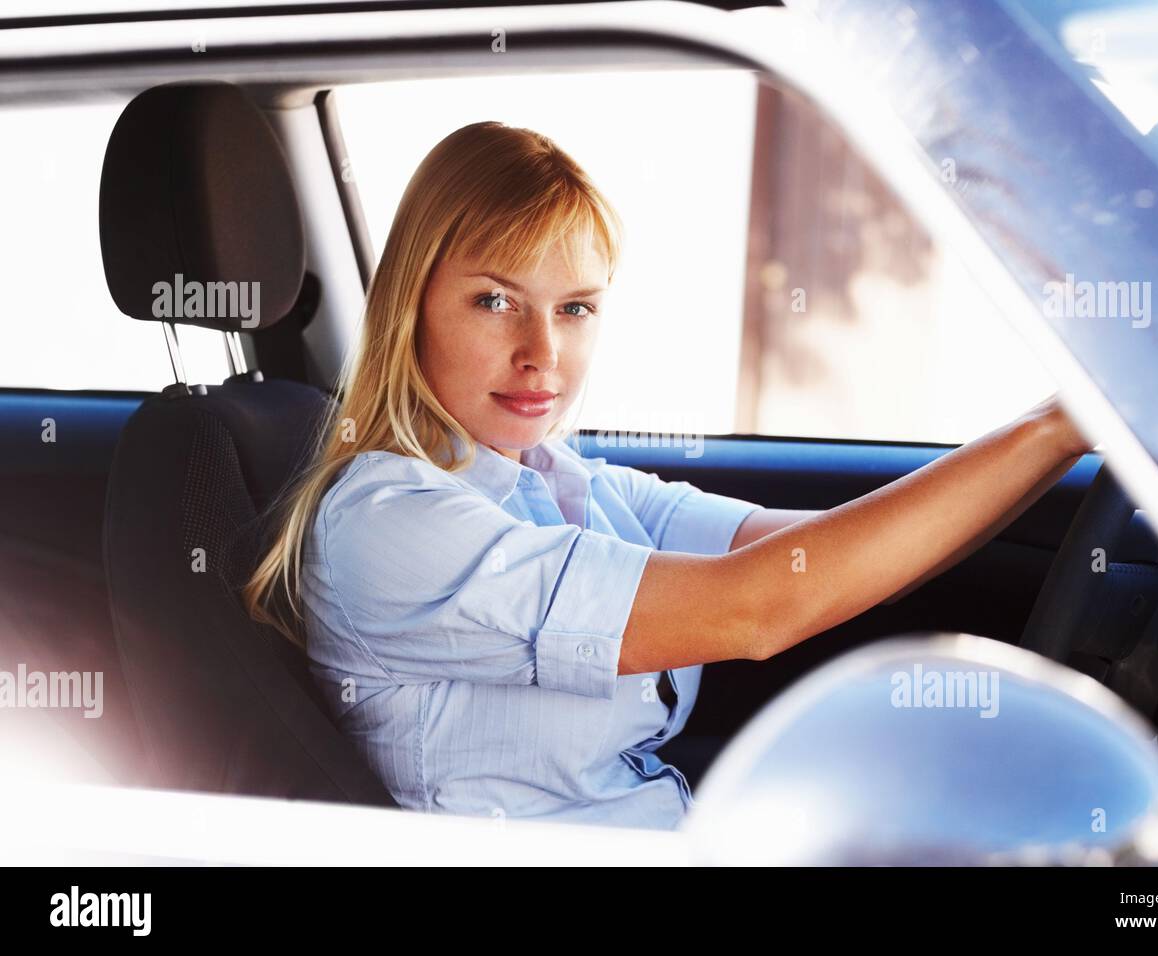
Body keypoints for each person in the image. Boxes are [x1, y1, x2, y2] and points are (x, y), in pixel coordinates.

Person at [243, 120, 1092, 829]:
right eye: (496, 301)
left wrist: (1053, 423)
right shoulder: (388, 520)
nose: (543, 354)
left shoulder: (566, 484)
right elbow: (759, 607)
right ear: (410, 302)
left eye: (574, 308)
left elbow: (810, 559)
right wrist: (1063, 424)